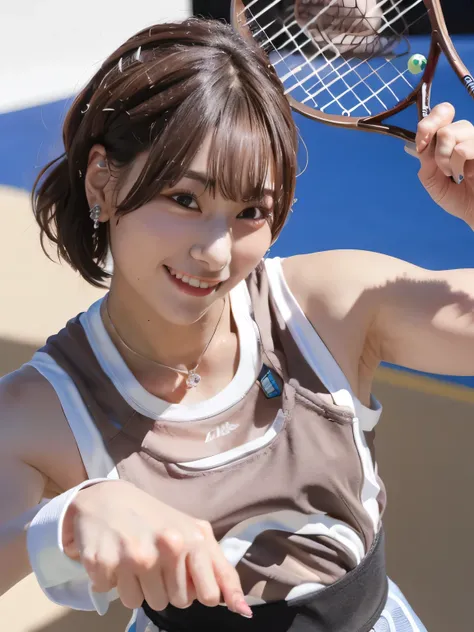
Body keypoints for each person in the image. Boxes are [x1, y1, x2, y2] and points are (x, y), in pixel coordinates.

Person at [1, 17, 473, 632]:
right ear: (103, 180)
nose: (216, 253)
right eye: (186, 200)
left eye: (251, 210)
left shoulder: (328, 308)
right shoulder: (41, 408)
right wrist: (64, 523)